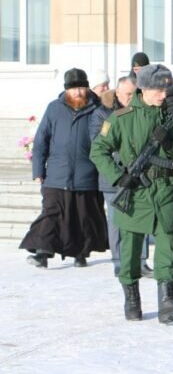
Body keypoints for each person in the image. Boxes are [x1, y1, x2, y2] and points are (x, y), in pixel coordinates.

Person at [90, 64, 173, 324]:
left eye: (166, 90)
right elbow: (98, 151)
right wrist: (118, 177)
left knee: (167, 245)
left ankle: (167, 301)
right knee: (131, 248)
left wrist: (169, 142)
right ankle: (132, 298)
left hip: (165, 190)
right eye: (158, 90)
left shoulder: (170, 118)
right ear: (143, 89)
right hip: (136, 191)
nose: (163, 95)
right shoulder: (121, 118)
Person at [21, 68, 108, 269]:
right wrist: (38, 170)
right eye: (73, 89)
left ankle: (80, 254)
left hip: (87, 175)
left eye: (81, 88)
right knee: (51, 214)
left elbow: (106, 140)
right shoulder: (54, 108)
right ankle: (42, 253)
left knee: (83, 217)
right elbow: (41, 140)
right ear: (66, 90)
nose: (77, 92)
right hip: (56, 174)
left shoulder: (99, 110)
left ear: (87, 88)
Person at [90, 76, 152, 277]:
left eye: (135, 94)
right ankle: (119, 261)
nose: (131, 98)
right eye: (127, 94)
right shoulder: (103, 114)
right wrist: (126, 157)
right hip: (113, 177)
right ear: (117, 93)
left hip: (140, 176)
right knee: (116, 221)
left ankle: (141, 261)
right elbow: (99, 145)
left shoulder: (143, 112)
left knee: (141, 217)